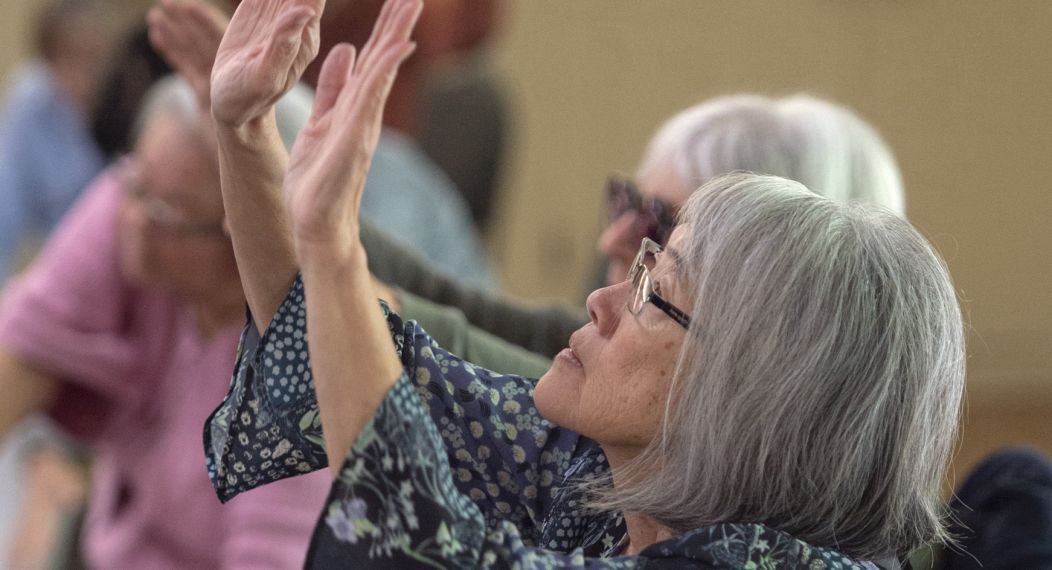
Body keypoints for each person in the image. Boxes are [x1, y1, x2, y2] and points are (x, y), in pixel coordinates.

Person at [203, 0, 967, 567]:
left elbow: (429, 544)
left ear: (753, 385)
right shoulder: (602, 472)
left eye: (654, 292)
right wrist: (244, 134)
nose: (601, 301)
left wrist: (333, 244)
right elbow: (336, 359)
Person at [0, 76, 331, 568]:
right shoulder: (137, 211)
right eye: (134, 185)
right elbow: (19, 354)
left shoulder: (297, 365)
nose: (131, 220)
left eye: (167, 212)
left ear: (245, 236)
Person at [0, 0, 111, 281]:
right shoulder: (31, 104)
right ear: (49, 60)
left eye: (94, 57)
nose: (86, 75)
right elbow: (7, 205)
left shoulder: (121, 98)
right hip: (59, 266)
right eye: (72, 58)